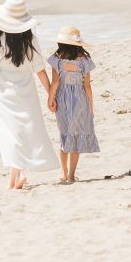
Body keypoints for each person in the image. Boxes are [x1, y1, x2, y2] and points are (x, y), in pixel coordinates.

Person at [0, 0, 57, 189]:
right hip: (27, 93)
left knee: (9, 135)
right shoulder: (31, 40)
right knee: (24, 132)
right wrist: (50, 95)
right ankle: (18, 175)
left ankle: (17, 176)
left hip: (4, 95)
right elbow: (39, 69)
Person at [47, 26, 98, 184]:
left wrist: (50, 99)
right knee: (75, 136)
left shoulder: (57, 59)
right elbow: (87, 86)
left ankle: (63, 172)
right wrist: (91, 106)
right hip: (80, 100)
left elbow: (55, 82)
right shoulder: (84, 61)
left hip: (62, 99)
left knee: (65, 135)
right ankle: (71, 175)